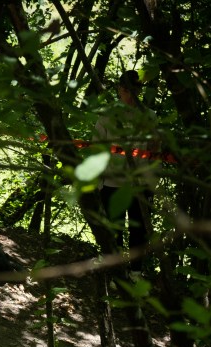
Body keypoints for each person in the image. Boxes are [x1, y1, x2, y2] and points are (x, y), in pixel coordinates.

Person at [93, 69, 159, 274]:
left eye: (134, 91)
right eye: (125, 90)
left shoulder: (149, 116)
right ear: (119, 90)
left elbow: (155, 150)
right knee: (114, 228)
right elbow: (97, 147)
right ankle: (116, 272)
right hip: (112, 182)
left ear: (139, 91)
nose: (129, 95)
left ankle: (135, 272)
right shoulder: (107, 115)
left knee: (138, 230)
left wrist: (152, 181)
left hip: (140, 183)